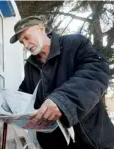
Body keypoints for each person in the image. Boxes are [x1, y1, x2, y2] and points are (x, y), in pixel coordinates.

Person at [10, 16, 114, 149]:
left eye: (27, 38)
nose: (25, 45)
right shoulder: (30, 66)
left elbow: (95, 72)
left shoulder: (75, 44)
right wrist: (10, 108)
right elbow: (27, 95)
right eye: (21, 42)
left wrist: (61, 101)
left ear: (41, 29)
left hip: (93, 139)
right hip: (54, 143)